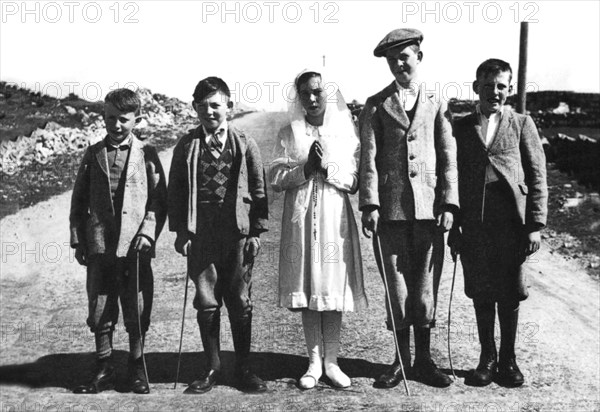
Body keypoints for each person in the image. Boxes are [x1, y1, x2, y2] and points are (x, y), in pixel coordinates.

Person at [359, 28, 459, 388]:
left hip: (429, 211)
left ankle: (425, 360)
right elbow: (368, 159)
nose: (399, 64)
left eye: (405, 56)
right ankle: (400, 360)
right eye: (392, 59)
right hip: (391, 212)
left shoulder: (437, 102)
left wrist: (449, 202)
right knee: (397, 287)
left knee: (425, 286)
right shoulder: (375, 105)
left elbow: (449, 157)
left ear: (419, 57)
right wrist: (369, 204)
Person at [449, 58, 548, 387]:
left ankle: (508, 359)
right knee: (481, 288)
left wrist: (534, 224)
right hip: (475, 219)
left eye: (502, 87)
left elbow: (537, 176)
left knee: (509, 290)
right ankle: (486, 358)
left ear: (510, 89)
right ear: (477, 88)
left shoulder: (522, 123)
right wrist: (453, 221)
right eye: (488, 86)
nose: (495, 92)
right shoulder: (461, 126)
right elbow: (451, 174)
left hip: (511, 220)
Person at [168, 77, 268, 394]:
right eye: (203, 106)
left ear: (229, 106)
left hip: (236, 234)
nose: (209, 111)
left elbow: (259, 189)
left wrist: (256, 231)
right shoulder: (187, 146)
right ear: (195, 108)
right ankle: (211, 367)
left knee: (239, 299)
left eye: (215, 104)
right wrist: (181, 231)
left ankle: (244, 368)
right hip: (201, 235)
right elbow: (175, 192)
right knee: (206, 300)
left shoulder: (244, 143)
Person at [270, 70, 368, 389]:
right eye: (305, 94)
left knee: (331, 286)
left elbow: (355, 180)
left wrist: (328, 168)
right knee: (308, 285)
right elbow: (275, 177)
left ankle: (332, 361)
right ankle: (313, 362)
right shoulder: (289, 132)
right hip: (301, 217)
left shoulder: (345, 131)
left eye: (317, 92)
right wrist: (305, 169)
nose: (312, 99)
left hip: (333, 215)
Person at [69, 88, 168, 394]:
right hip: (100, 245)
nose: (115, 125)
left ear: (136, 119)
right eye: (110, 118)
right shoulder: (93, 154)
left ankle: (137, 367)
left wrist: (147, 233)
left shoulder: (147, 154)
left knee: (136, 307)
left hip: (134, 248)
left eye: (123, 119)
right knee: (100, 304)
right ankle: (103, 367)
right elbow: (79, 200)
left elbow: (159, 200)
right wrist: (79, 239)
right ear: (103, 118)